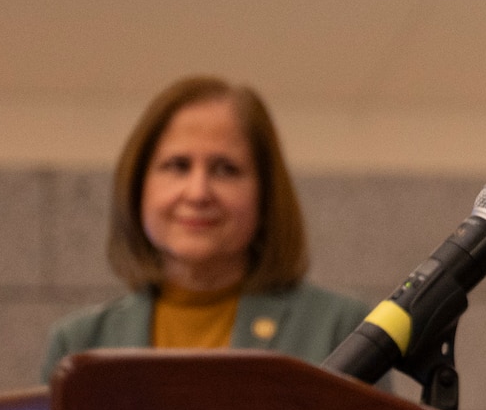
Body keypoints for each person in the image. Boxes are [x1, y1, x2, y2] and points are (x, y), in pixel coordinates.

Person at [42, 76, 368, 379]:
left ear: (265, 193)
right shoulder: (79, 343)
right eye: (178, 166)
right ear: (139, 185)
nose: (198, 193)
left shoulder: (340, 330)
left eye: (225, 169)